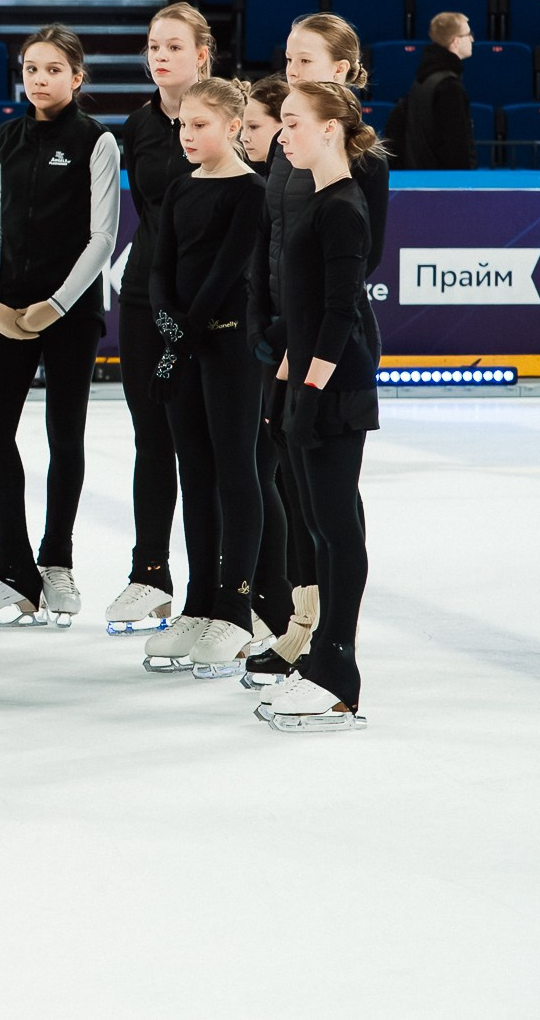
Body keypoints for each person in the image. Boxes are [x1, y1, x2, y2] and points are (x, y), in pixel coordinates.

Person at [246, 17, 392, 684]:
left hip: (324, 341)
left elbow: (351, 268)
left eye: (306, 59)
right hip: (287, 332)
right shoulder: (289, 142)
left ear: (341, 68)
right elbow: (272, 237)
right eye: (288, 58)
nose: (293, 69)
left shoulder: (355, 162)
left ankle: (333, 642)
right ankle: (306, 624)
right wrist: (269, 325)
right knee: (294, 487)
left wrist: (300, 350)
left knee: (331, 500)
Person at [0, 25, 120, 628]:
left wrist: (56, 305)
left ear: (77, 77)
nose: (39, 78)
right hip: (7, 311)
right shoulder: (1, 139)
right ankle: (13, 564)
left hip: (71, 312)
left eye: (53, 69)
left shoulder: (97, 141)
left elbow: (103, 236)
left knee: (66, 432)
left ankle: (56, 560)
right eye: (31, 68)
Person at [143, 77, 269, 678]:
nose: (188, 134)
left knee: (234, 471)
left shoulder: (251, 192)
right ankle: (197, 601)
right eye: (183, 125)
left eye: (201, 125)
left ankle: (235, 607)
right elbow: (159, 267)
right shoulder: (177, 189)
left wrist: (186, 335)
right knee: (192, 472)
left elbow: (227, 271)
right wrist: (170, 327)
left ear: (233, 127)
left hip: (227, 347)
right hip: (183, 346)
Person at [105, 2, 215, 636]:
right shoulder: (139, 124)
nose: (159, 55)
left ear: (202, 53)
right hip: (146, 295)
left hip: (211, 303)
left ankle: (220, 585)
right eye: (152, 46)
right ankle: (150, 575)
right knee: (153, 437)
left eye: (173, 46)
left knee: (208, 444)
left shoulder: (226, 114)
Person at [239, 74, 314, 687]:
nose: (247, 139)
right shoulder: (267, 187)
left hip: (301, 351)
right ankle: (284, 608)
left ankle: (309, 621)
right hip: (266, 347)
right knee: (271, 475)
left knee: (295, 486)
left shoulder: (304, 182)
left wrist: (284, 334)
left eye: (257, 128)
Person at [384, 10, 476, 170]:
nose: (472, 39)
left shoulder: (423, 79)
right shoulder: (449, 86)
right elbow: (454, 146)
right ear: (456, 41)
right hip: (443, 182)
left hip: (422, 175)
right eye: (468, 34)